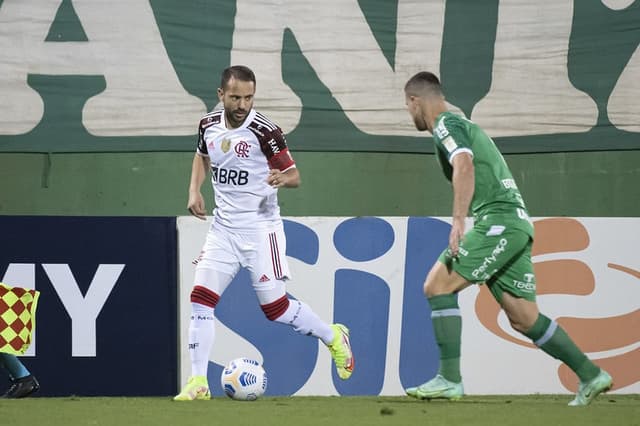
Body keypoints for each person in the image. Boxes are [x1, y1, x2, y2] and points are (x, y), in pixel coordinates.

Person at [402, 71, 612, 406]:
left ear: (416, 101)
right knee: (523, 317)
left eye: (407, 106)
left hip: (498, 222)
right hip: (515, 225)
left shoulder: (446, 125)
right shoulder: (462, 123)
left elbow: (464, 164)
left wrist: (458, 220)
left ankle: (449, 379)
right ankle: (591, 375)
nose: (409, 113)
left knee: (436, 286)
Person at [174, 65, 354, 401]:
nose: (242, 104)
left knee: (275, 309)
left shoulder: (265, 131)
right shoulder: (208, 125)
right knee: (200, 299)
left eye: (248, 97)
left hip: (261, 230)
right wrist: (194, 191)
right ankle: (198, 383)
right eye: (235, 97)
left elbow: (295, 175)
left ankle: (332, 336)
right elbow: (201, 156)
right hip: (223, 229)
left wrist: (282, 179)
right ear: (221, 95)